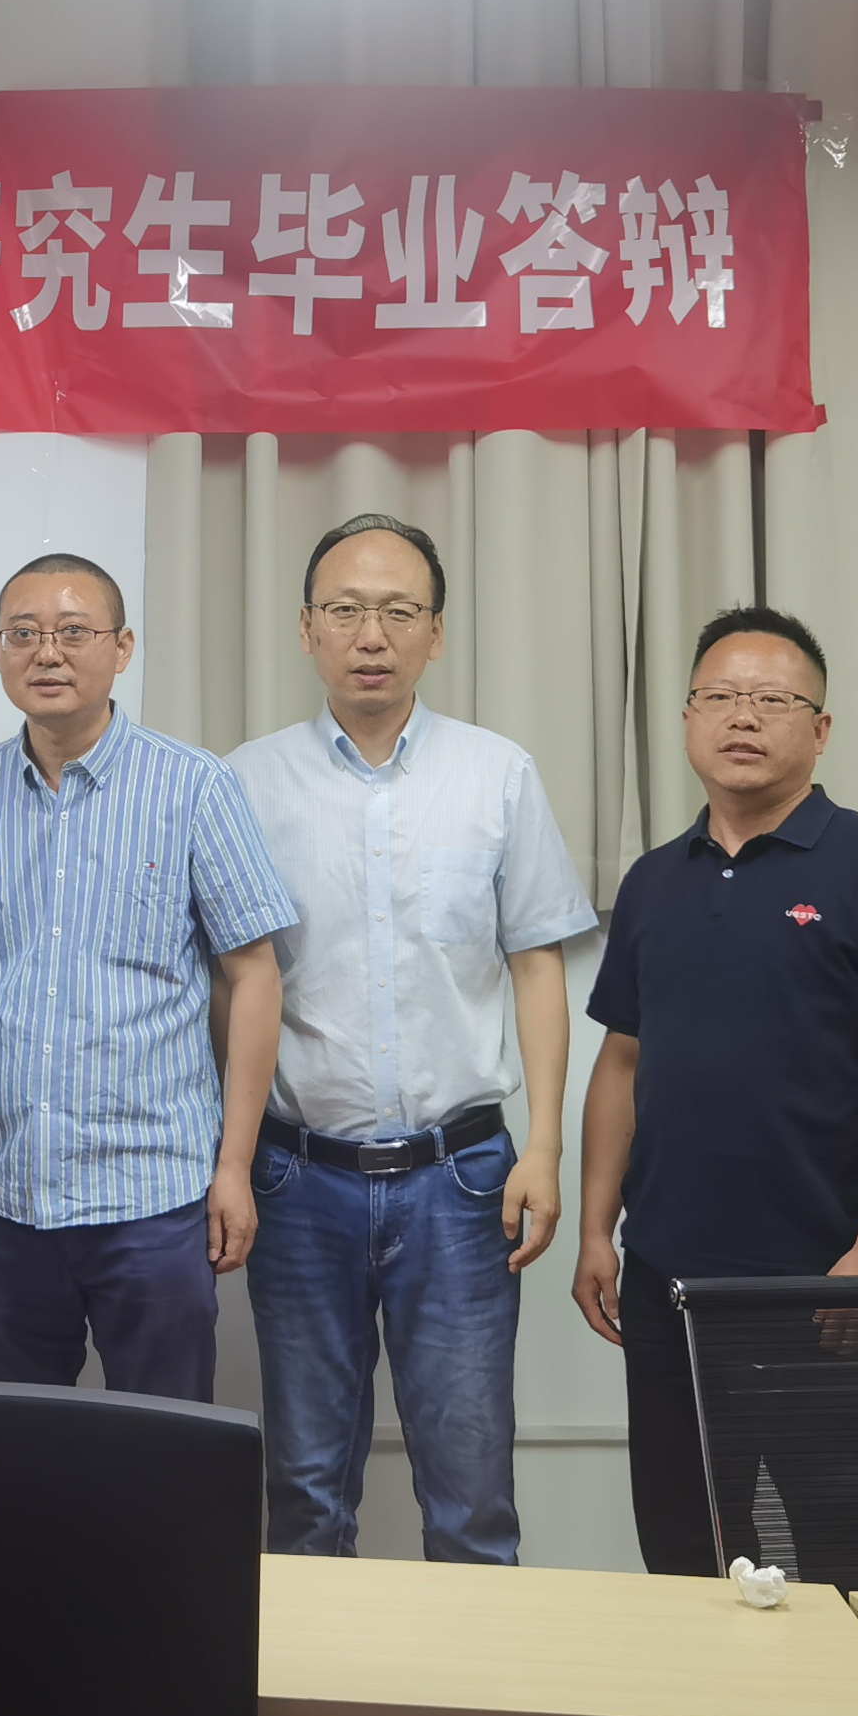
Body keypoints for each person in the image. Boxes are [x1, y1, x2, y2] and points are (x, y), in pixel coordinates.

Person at [574, 606, 858, 1579]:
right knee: (685, 1551)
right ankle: (702, 1698)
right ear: (686, 718)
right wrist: (594, 1231)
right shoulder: (653, 883)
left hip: (822, 1289)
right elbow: (621, 1061)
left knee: (849, 1554)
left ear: (819, 729)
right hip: (666, 1283)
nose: (742, 717)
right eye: (719, 696)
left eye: (772, 700)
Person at [232, 515, 595, 1567]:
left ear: (436, 633)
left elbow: (536, 964)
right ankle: (310, 1681)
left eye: (399, 611)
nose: (371, 635)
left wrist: (544, 1148)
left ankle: (473, 1684)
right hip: (298, 1180)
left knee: (471, 1499)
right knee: (305, 1498)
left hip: (462, 1181)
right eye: (346, 610)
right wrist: (231, 1161)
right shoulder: (246, 782)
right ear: (307, 628)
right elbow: (230, 983)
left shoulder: (497, 774)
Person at [0, 552, 297, 1403]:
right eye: (23, 634)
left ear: (122, 648)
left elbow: (255, 977)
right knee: (11, 1453)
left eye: (73, 632)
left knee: (160, 1451)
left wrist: (234, 1167)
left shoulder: (195, 786)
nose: (47, 652)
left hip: (153, 1196)